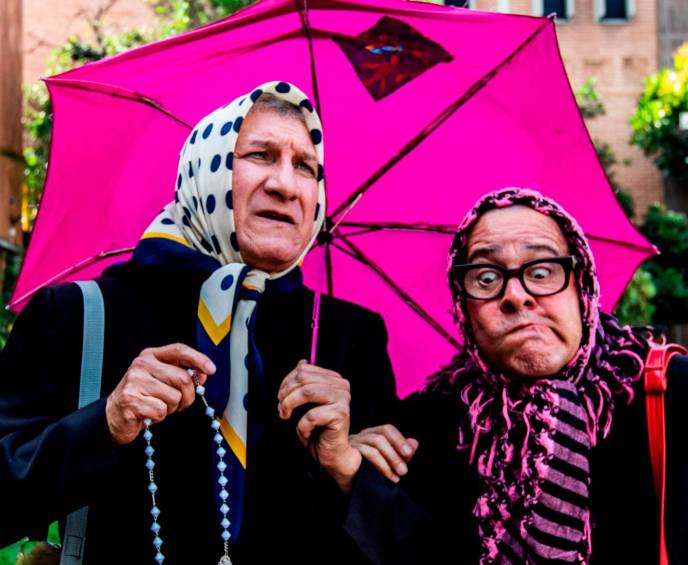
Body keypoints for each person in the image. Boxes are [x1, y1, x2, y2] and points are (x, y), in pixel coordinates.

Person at [0, 81, 399, 564]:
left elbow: (402, 543)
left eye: (305, 166)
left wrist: (349, 471)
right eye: (260, 155)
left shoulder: (346, 336)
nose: (285, 184)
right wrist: (105, 423)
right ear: (204, 168)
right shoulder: (78, 315)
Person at [350, 188, 688, 564]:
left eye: (541, 272)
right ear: (464, 307)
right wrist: (354, 474)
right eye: (485, 277)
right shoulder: (430, 423)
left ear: (582, 286)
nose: (516, 296)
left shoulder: (680, 392)